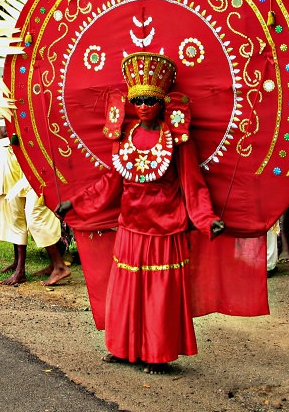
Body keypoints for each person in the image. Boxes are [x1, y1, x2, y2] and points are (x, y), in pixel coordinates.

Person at [55, 52, 224, 375]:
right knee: (128, 291)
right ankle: (123, 348)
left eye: (150, 99)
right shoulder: (124, 137)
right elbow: (110, 182)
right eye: (138, 100)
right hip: (131, 227)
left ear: (162, 102)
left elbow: (193, 184)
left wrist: (207, 219)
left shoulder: (178, 139)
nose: (144, 106)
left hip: (165, 229)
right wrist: (75, 203)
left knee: (159, 294)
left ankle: (157, 354)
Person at [0, 126, 70, 286]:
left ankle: (57, 266)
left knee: (34, 217)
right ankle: (38, 265)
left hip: (36, 167)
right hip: (20, 166)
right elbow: (4, 134)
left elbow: (13, 133)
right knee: (18, 214)